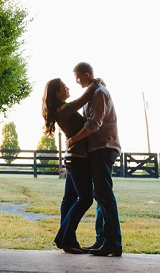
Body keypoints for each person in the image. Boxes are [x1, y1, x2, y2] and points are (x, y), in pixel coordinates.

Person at [41, 76, 102, 254]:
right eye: (65, 87)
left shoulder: (60, 109)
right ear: (58, 93)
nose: (68, 88)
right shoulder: (64, 109)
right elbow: (83, 99)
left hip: (72, 158)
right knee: (86, 199)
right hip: (78, 158)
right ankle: (64, 237)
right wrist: (96, 82)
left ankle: (69, 241)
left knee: (68, 200)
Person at [67, 62, 122, 257]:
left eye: (78, 76)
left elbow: (94, 124)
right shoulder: (93, 92)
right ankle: (101, 241)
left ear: (87, 74)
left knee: (105, 195)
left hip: (104, 147)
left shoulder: (99, 93)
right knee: (100, 195)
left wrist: (73, 139)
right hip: (97, 149)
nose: (76, 80)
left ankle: (113, 243)